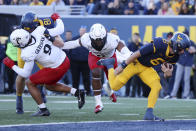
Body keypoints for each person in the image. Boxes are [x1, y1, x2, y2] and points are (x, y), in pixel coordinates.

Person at [97, 32, 190, 120]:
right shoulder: (160, 44)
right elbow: (137, 53)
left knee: (157, 86)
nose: (183, 52)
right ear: (176, 46)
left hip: (146, 68)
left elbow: (166, 75)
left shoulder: (175, 56)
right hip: (135, 62)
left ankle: (149, 113)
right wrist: (122, 66)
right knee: (114, 86)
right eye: (182, 49)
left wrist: (167, 73)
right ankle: (109, 65)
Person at [3, 27, 85, 116]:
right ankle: (77, 92)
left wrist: (12, 65)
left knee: (29, 83)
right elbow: (59, 29)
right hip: (64, 59)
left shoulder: (27, 53)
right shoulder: (38, 31)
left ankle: (43, 109)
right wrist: (57, 19)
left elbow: (25, 73)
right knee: (49, 85)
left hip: (56, 68)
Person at [54, 23, 132, 113]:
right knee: (95, 73)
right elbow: (74, 44)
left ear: (105, 37)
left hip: (110, 58)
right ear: (90, 37)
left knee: (114, 82)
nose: (98, 43)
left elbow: (123, 49)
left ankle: (109, 90)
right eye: (95, 40)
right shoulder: (85, 38)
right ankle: (98, 103)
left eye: (100, 40)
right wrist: (60, 45)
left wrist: (129, 54)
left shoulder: (112, 39)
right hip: (95, 56)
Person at [15, 12, 64, 114]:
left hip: (40, 48)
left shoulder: (46, 23)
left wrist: (53, 39)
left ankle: (41, 91)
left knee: (46, 71)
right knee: (22, 74)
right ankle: (18, 98)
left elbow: (59, 38)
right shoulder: (21, 28)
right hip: (26, 49)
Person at [69, 26, 91, 96]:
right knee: (75, 78)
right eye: (81, 30)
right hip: (75, 63)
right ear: (79, 31)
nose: (82, 32)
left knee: (86, 78)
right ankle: (75, 92)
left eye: (84, 31)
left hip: (85, 63)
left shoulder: (89, 40)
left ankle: (88, 92)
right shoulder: (74, 39)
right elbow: (70, 51)